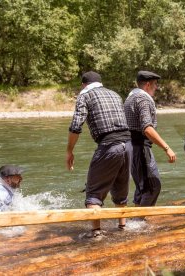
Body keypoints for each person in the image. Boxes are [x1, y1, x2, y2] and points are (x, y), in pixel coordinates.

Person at [66, 71, 131, 240]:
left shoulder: (85, 96)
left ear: (83, 85)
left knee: (93, 194)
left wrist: (69, 151)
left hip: (109, 145)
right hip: (128, 144)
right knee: (120, 190)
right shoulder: (115, 94)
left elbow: (76, 125)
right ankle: (123, 227)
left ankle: (96, 234)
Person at [124, 70, 176, 208]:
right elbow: (147, 128)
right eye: (155, 84)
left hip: (131, 147)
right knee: (153, 187)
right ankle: (138, 223)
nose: (156, 87)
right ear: (147, 85)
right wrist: (167, 148)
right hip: (141, 147)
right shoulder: (143, 99)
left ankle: (135, 223)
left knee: (142, 187)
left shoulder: (130, 97)